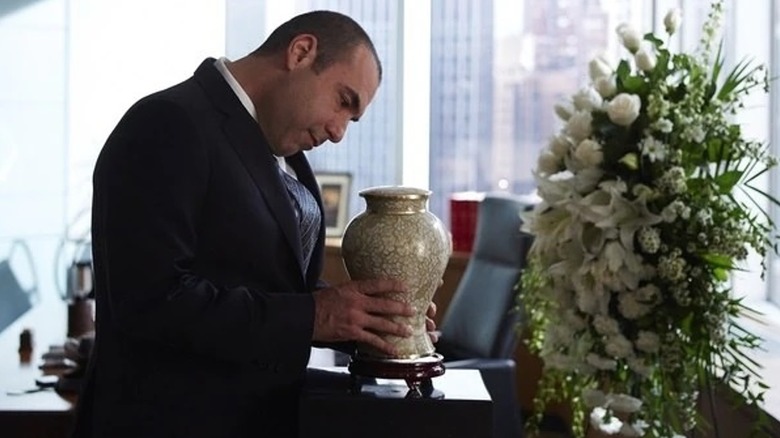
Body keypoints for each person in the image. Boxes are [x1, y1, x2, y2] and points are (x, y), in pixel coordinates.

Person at [71, 10, 438, 438]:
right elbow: (151, 301)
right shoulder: (166, 123)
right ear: (301, 52)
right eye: (343, 100)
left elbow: (267, 285)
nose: (339, 133)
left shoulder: (281, 150)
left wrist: (364, 323)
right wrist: (314, 317)